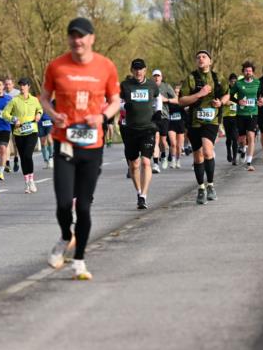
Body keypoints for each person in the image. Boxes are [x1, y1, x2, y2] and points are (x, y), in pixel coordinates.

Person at [42, 17, 120, 280]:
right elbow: (44, 97)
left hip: (92, 143)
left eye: (82, 36)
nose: (78, 41)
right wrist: (53, 114)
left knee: (84, 207)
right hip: (64, 141)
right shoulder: (56, 66)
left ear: (92, 38)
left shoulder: (105, 66)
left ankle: (79, 260)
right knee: (64, 203)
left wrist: (102, 117)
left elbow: (115, 100)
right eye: (73, 36)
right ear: (69, 39)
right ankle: (66, 236)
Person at [178, 50, 228, 205]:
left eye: (204, 57)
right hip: (194, 122)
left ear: (210, 61)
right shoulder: (191, 78)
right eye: (198, 57)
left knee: (207, 150)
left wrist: (221, 102)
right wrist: (199, 94)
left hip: (211, 121)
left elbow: (227, 95)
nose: (201, 59)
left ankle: (211, 185)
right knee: (198, 156)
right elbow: (182, 100)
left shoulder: (218, 78)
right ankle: (201, 188)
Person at [120, 59, 159, 209]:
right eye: (135, 69)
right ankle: (138, 191)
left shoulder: (151, 85)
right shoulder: (125, 85)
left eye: (141, 69)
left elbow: (158, 98)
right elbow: (116, 101)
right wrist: (124, 105)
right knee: (134, 164)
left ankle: (144, 195)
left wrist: (158, 111)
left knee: (145, 162)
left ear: (145, 70)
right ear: (132, 70)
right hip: (130, 129)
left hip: (148, 127)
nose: (138, 71)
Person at [1, 78, 43, 192]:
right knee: (23, 157)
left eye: (24, 85)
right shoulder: (14, 100)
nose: (22, 87)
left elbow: (40, 109)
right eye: (20, 85)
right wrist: (13, 119)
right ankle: (26, 182)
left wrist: (38, 114)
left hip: (32, 131)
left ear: (28, 86)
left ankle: (31, 180)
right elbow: (5, 113)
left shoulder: (34, 99)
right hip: (19, 133)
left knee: (28, 155)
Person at [230, 61, 260, 171]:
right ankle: (242, 148)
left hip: (253, 113)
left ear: (253, 72)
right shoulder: (238, 83)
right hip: (241, 114)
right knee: (242, 139)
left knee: (251, 136)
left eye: (250, 71)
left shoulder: (257, 83)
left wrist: (260, 101)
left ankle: (249, 162)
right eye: (246, 70)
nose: (248, 72)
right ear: (243, 72)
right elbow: (230, 96)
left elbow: (260, 95)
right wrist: (238, 101)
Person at [152, 69, 177, 171]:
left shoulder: (166, 87)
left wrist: (166, 100)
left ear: (161, 77)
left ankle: (163, 154)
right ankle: (155, 163)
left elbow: (176, 100)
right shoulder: (149, 87)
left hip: (164, 117)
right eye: (155, 76)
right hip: (152, 117)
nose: (156, 78)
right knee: (156, 139)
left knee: (163, 140)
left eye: (158, 76)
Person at [222, 73, 240, 165]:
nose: (233, 83)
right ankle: (229, 152)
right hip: (226, 116)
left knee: (235, 138)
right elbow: (220, 100)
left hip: (236, 116)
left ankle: (234, 158)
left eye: (235, 81)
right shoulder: (226, 90)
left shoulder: (239, 90)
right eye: (232, 81)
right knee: (229, 138)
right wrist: (225, 102)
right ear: (229, 81)